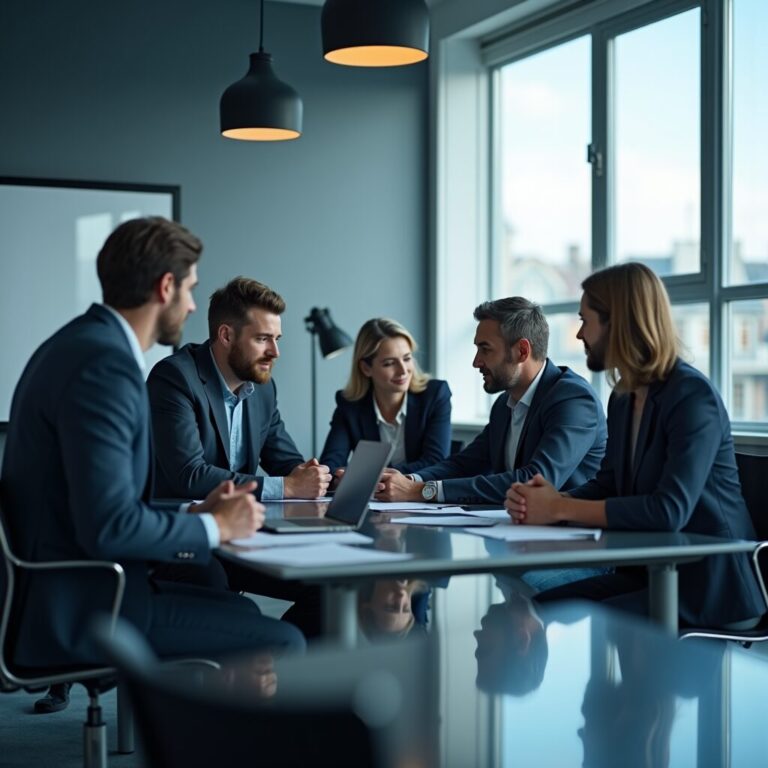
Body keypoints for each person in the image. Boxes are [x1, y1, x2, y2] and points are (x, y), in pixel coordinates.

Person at [0, 218, 305, 691]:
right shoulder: (105, 367)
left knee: (241, 609)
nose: (190, 305)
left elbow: (107, 505)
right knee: (284, 641)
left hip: (85, 588)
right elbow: (109, 526)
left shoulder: (82, 345)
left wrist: (194, 511)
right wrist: (214, 526)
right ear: (166, 286)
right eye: (189, 290)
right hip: (83, 608)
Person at [505, 262, 765, 629]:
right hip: (649, 573)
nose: (579, 334)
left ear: (619, 323)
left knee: (583, 619)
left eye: (586, 320)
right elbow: (608, 484)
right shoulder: (624, 397)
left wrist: (559, 507)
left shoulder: (692, 395)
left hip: (712, 586)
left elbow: (668, 511)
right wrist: (547, 501)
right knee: (540, 604)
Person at [376, 297, 607, 506]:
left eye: (485, 350)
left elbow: (536, 480)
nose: (476, 362)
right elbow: (463, 464)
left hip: (570, 540)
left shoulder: (574, 400)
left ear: (522, 351)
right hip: (517, 532)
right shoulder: (504, 404)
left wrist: (421, 491)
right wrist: (405, 481)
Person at [147, 276, 331, 502]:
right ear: (226, 335)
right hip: (181, 524)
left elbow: (286, 463)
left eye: (277, 339)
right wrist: (287, 487)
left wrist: (325, 478)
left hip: (241, 523)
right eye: (263, 339)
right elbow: (189, 475)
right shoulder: (175, 378)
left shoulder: (263, 389)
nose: (275, 352)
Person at [320, 317, 452, 476]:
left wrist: (370, 476)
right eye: (389, 363)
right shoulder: (349, 405)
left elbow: (435, 461)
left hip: (420, 494)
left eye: (407, 358)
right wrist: (339, 477)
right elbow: (330, 463)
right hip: (374, 498)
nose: (403, 371)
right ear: (366, 368)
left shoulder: (435, 395)